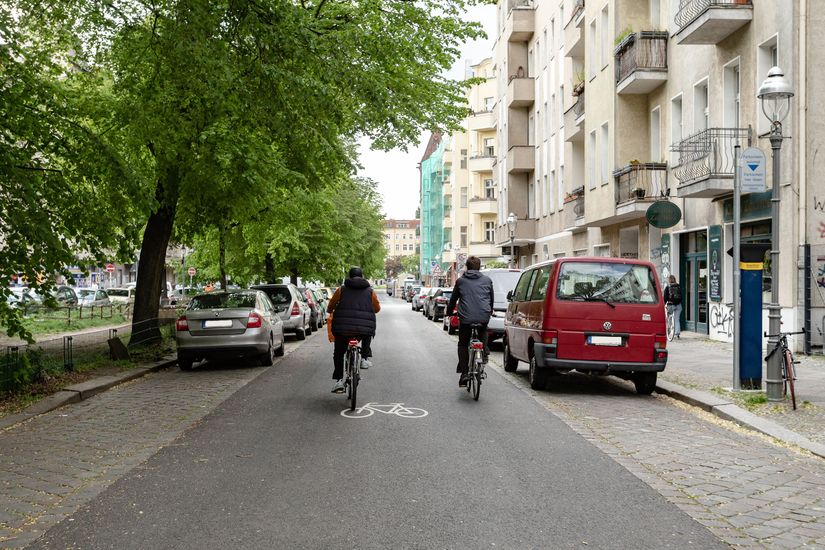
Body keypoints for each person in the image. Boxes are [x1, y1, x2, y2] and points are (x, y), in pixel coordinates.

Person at [326, 266, 381, 393]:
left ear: (349, 277)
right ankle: (364, 359)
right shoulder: (370, 291)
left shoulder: (341, 290)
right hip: (363, 330)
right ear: (362, 277)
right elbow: (377, 309)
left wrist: (331, 310)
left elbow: (331, 306)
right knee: (367, 332)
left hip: (343, 329)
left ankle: (339, 381)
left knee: (339, 353)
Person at [446, 256, 494, 387]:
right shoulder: (488, 280)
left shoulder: (461, 281)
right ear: (479, 267)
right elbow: (491, 300)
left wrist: (449, 312)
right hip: (483, 316)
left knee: (462, 344)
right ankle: (483, 354)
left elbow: (453, 300)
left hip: (466, 318)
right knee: (483, 331)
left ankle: (465, 374)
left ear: (467, 267)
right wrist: (489, 311)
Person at [663, 274, 682, 339]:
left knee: (669, 318)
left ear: (669, 280)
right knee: (677, 319)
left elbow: (665, 297)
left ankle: (671, 331)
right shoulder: (678, 286)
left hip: (671, 305)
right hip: (678, 305)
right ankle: (677, 333)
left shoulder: (667, 287)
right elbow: (681, 296)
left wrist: (664, 304)